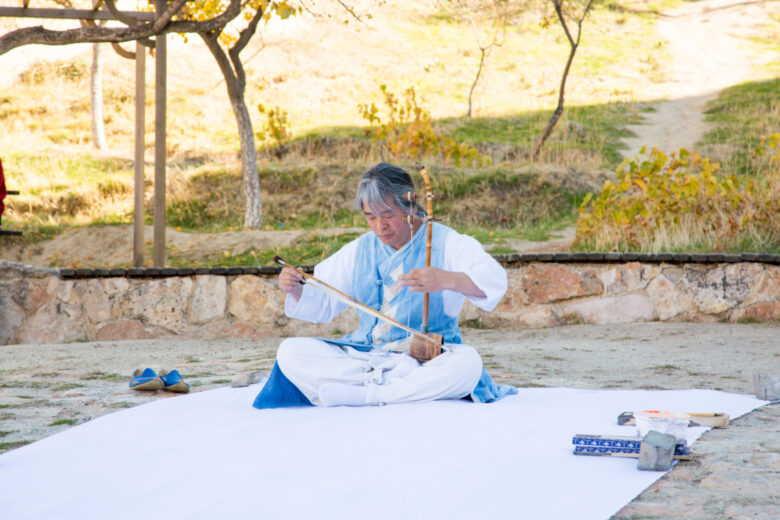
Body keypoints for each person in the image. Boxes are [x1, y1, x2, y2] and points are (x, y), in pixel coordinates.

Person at [253, 162, 516, 409]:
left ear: (411, 206)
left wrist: (446, 279)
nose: (380, 226)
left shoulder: (446, 242)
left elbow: (493, 282)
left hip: (427, 357)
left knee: (466, 364)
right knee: (291, 352)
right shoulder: (359, 250)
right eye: (371, 217)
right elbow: (322, 302)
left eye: (388, 215)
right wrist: (296, 288)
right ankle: (392, 390)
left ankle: (367, 395)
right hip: (367, 356)